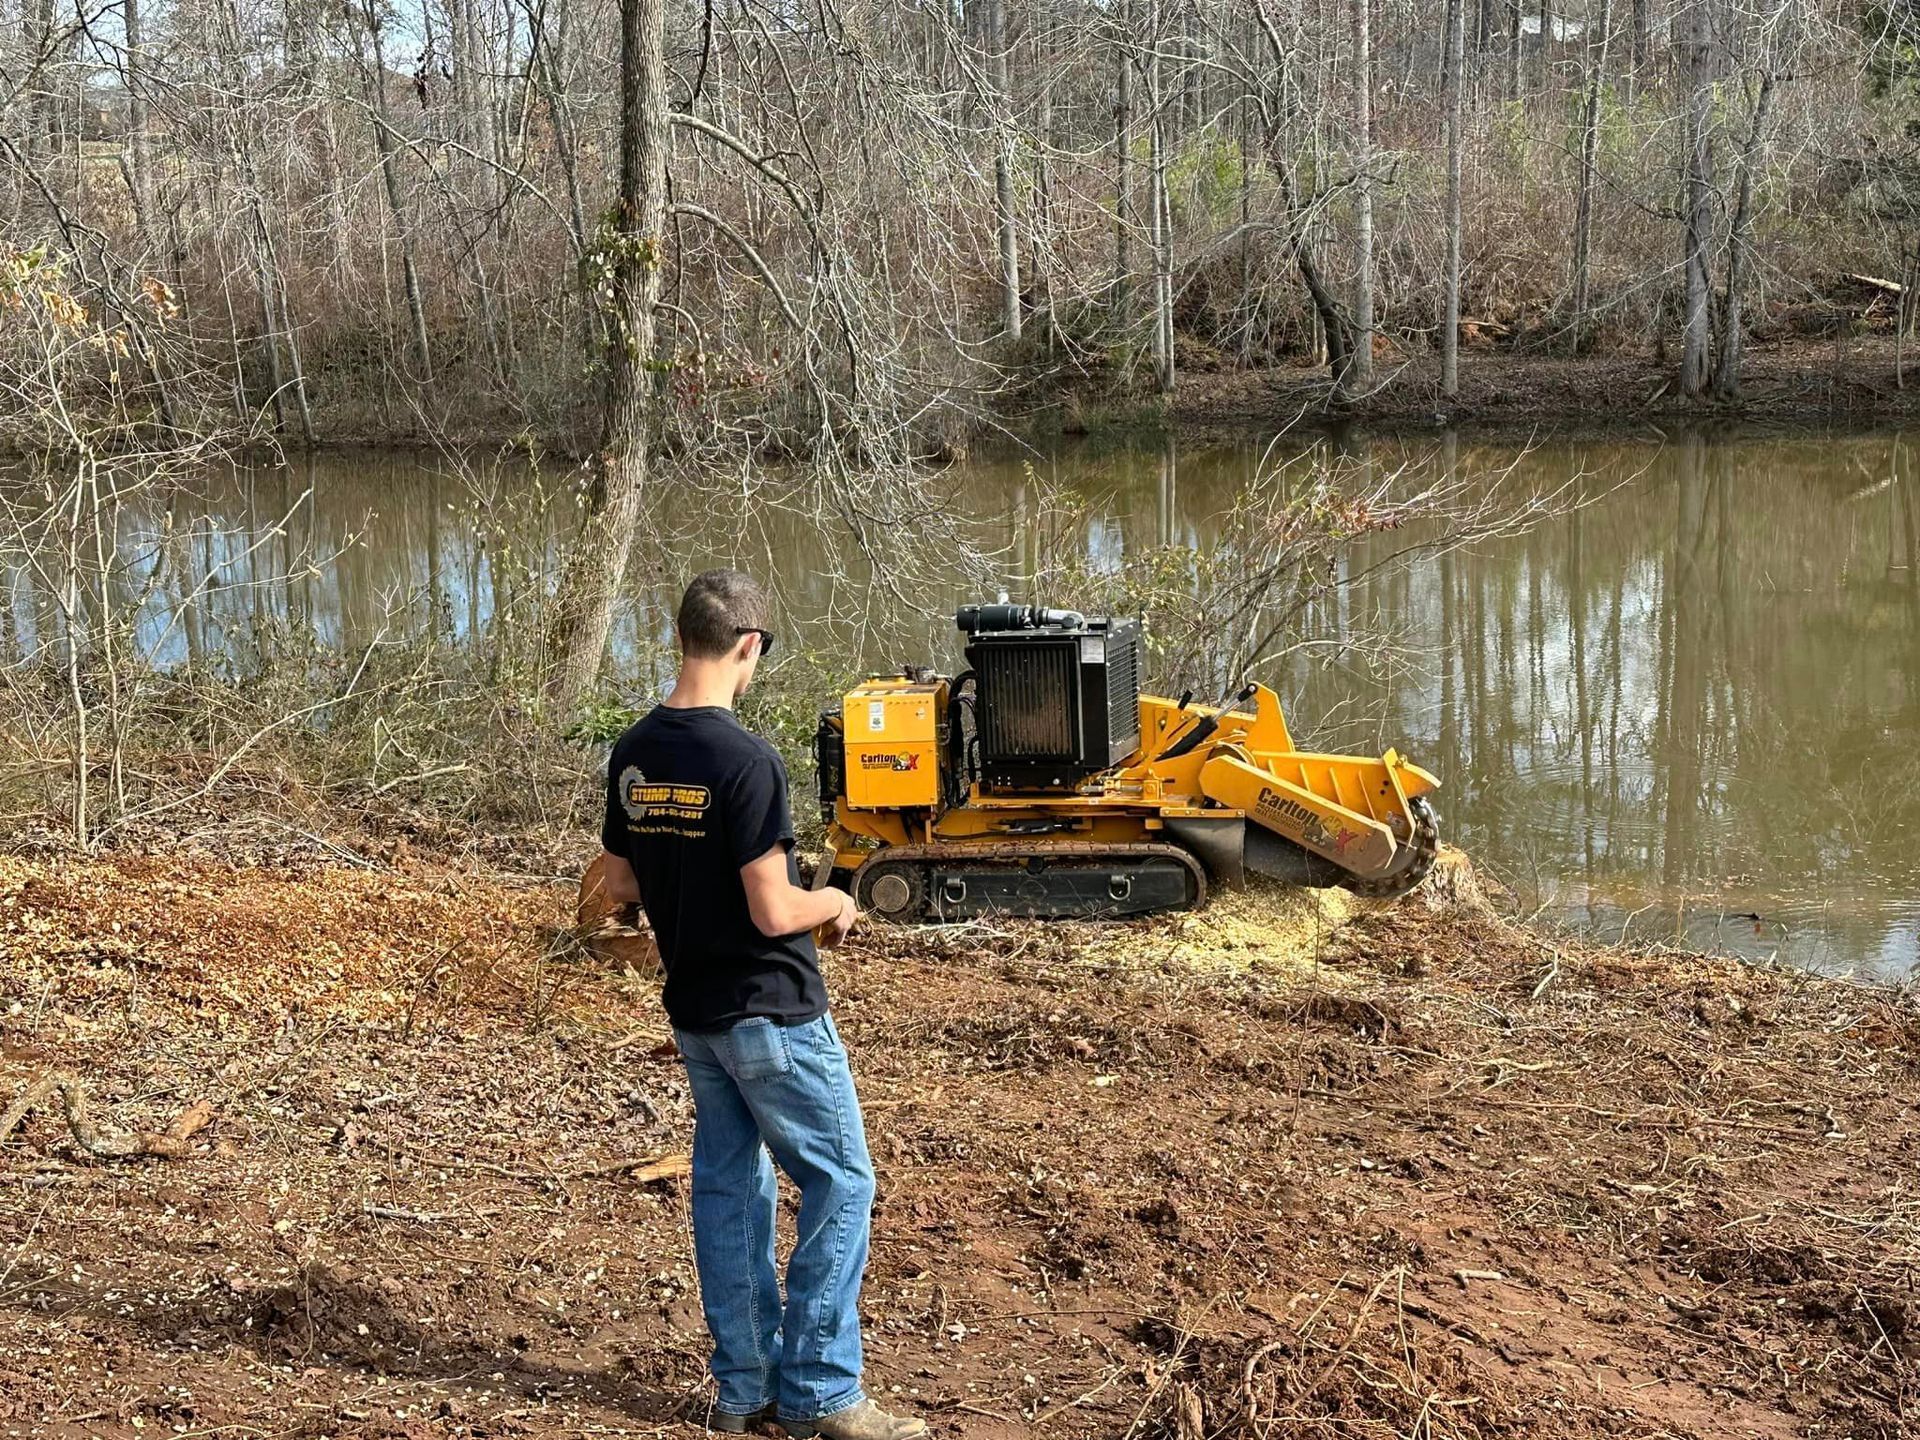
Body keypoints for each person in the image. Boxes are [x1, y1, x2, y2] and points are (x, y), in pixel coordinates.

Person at [596, 570, 927, 1440]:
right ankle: (823, 1392)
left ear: (680, 639)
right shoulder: (746, 760)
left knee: (731, 1191)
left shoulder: (634, 750)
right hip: (771, 1009)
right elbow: (776, 910)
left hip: (696, 1012)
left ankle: (745, 1394)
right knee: (842, 1179)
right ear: (749, 646)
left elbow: (620, 879)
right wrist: (838, 903)